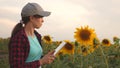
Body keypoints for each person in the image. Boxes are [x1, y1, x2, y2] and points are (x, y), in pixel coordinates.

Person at [8, 2, 55, 68]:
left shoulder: (37, 36)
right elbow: (16, 66)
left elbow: (34, 58)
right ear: (32, 18)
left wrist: (45, 58)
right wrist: (41, 61)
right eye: (41, 17)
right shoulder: (19, 38)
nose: (43, 20)